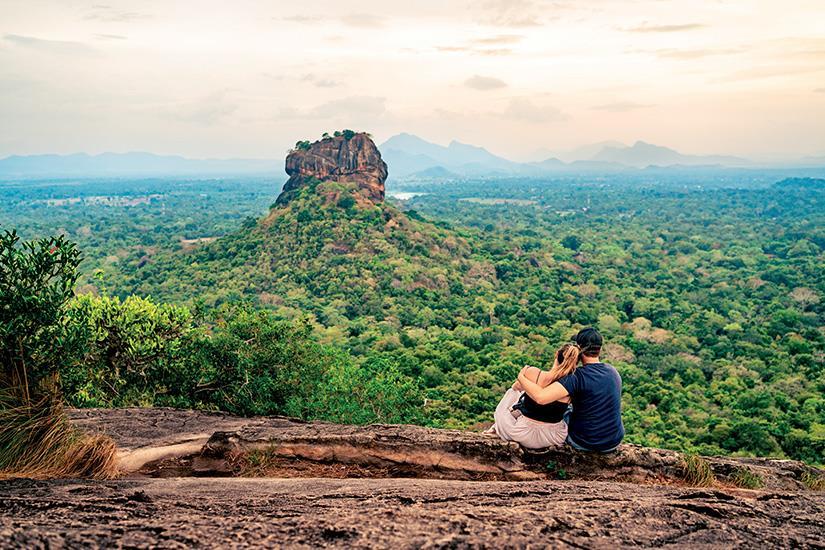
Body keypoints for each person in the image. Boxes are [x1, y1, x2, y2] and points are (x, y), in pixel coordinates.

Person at [517, 327, 624, 453]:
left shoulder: (576, 377)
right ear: (599, 349)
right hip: (613, 441)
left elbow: (541, 398)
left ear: (579, 348)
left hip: (584, 442)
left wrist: (521, 378)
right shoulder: (613, 372)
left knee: (560, 409)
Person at [488, 343, 581, 449]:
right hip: (552, 437)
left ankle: (498, 425)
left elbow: (516, 388)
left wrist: (522, 378)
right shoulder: (572, 384)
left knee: (513, 394)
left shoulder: (532, 373)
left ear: (556, 354)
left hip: (522, 433)